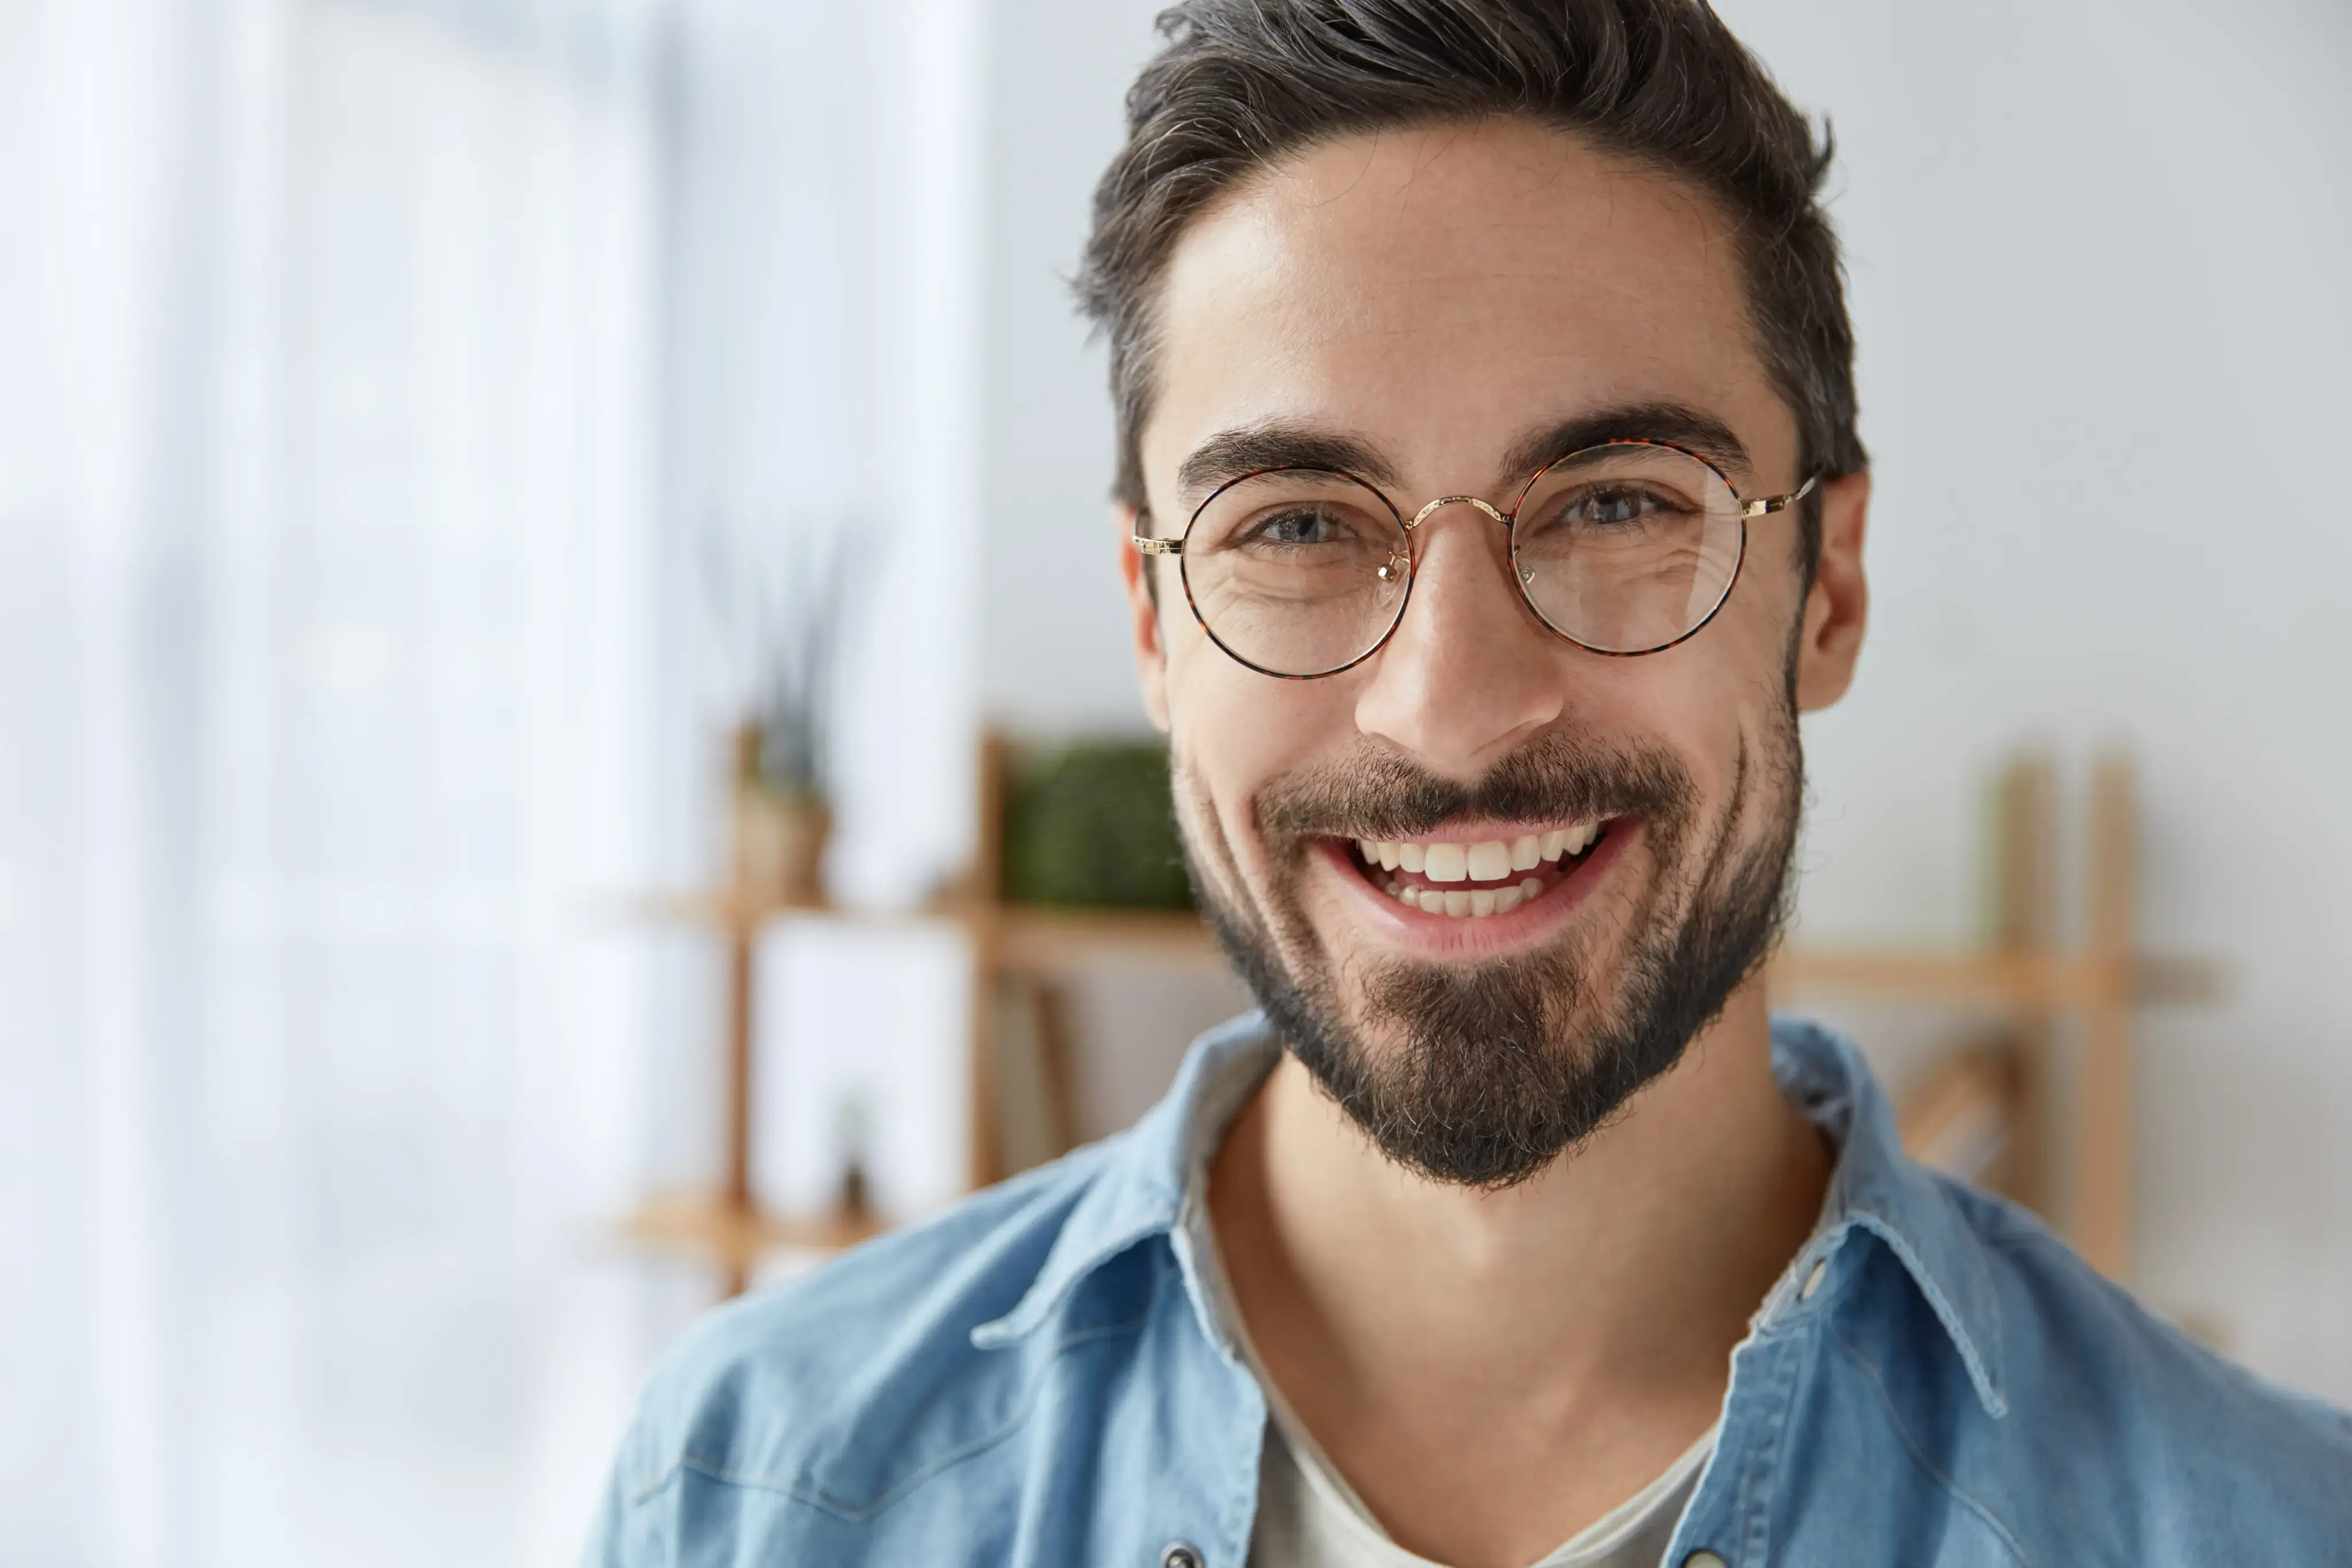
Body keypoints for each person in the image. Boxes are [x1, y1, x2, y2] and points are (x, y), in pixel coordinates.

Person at [585, 3, 2352, 1564]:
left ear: (1829, 585)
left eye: (1613, 504)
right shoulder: (758, 1496)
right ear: (1154, 626)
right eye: (1293, 526)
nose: (1450, 710)